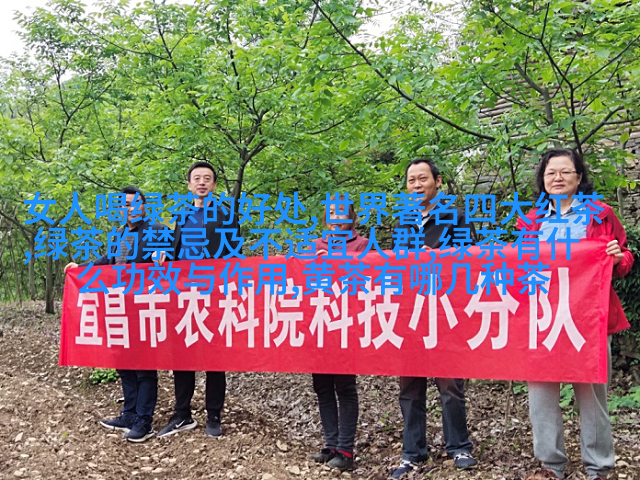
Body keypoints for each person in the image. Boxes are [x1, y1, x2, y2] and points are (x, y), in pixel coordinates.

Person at [520, 148, 633, 480]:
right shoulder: (531, 220)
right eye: (550, 172)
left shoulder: (601, 214)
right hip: (543, 317)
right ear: (543, 180)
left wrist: (617, 258)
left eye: (565, 171)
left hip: (589, 318)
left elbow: (625, 257)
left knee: (591, 394)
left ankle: (598, 466)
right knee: (541, 394)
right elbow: (519, 266)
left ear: (579, 177)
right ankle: (550, 464)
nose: (557, 177)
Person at [389, 159, 477, 478]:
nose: (417, 185)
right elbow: (392, 268)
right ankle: (412, 452)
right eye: (411, 180)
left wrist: (439, 258)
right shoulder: (402, 223)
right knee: (410, 385)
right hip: (410, 314)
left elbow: (472, 262)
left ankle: (459, 447)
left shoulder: (456, 218)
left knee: (450, 383)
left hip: (445, 312)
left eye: (422, 178)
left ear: (437, 182)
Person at [64, 186, 165, 443]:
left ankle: (144, 421)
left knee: (144, 367)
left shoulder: (156, 230)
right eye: (124, 204)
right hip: (119, 308)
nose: (129, 208)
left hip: (143, 307)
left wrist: (162, 257)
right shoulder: (119, 234)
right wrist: (79, 268)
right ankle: (129, 414)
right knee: (124, 363)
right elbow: (105, 262)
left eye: (134, 203)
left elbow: (170, 257)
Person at [157, 161, 240, 439]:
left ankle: (214, 414)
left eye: (207, 178)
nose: (202, 182)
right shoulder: (181, 216)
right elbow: (174, 250)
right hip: (183, 295)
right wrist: (164, 256)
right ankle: (182, 414)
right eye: (197, 178)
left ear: (214, 185)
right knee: (182, 355)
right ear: (189, 185)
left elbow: (234, 255)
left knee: (214, 357)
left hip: (214, 294)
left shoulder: (225, 215)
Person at [308, 194, 368, 472]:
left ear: (351, 216)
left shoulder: (362, 244)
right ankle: (330, 444)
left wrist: (337, 260)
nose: (336, 217)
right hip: (319, 322)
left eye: (342, 212)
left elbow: (369, 277)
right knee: (322, 386)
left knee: (344, 386)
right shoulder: (315, 245)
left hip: (347, 323)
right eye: (331, 212)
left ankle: (345, 449)